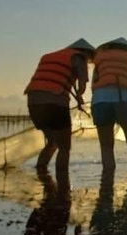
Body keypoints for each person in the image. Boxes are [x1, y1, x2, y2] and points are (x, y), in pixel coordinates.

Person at [24, 38, 94, 179]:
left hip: (33, 103)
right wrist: (80, 96)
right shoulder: (79, 58)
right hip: (55, 104)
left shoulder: (48, 57)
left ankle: (42, 175)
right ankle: (63, 184)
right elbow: (82, 86)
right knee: (64, 147)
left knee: (52, 142)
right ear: (86, 53)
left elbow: (51, 79)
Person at [90, 37, 127, 173]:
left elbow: (93, 85)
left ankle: (107, 180)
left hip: (100, 102)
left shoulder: (100, 60)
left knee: (106, 146)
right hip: (125, 101)